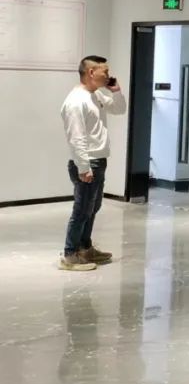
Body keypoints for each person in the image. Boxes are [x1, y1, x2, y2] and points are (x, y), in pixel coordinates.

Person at [59, 55, 127, 271]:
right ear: (90, 72)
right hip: (88, 163)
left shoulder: (95, 94)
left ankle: (85, 248)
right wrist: (84, 167)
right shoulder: (76, 101)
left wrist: (116, 91)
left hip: (98, 161)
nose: (108, 75)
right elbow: (76, 137)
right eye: (104, 71)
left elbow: (119, 109)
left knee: (92, 207)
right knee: (82, 210)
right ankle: (70, 254)